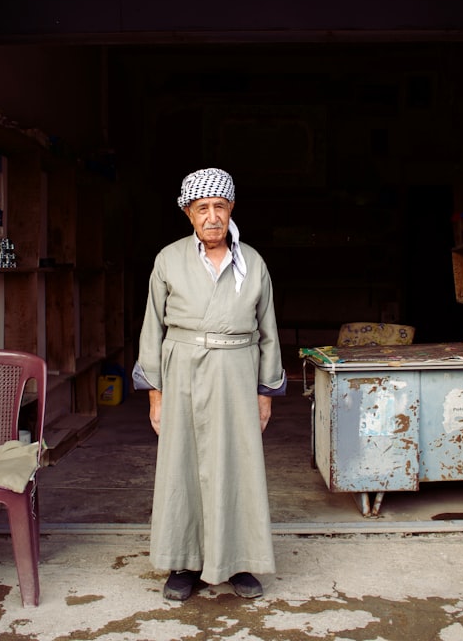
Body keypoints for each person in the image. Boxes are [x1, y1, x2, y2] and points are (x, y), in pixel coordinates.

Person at [132, 167, 286, 602]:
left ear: (232, 208)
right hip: (181, 372)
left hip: (238, 372)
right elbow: (152, 329)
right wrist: (155, 395)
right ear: (188, 213)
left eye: (220, 206)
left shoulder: (252, 262)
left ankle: (237, 562)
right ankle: (184, 563)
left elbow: (268, 329)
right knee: (182, 467)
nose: (212, 216)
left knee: (236, 466)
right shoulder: (168, 260)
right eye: (203, 208)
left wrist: (265, 393)